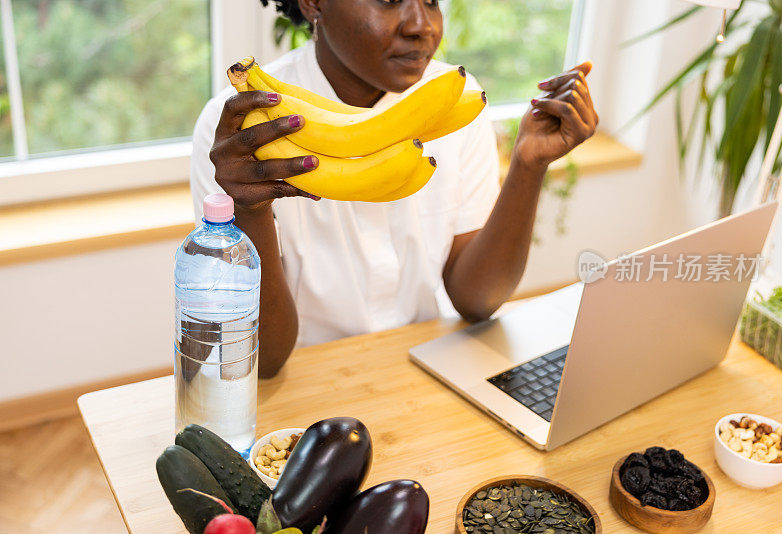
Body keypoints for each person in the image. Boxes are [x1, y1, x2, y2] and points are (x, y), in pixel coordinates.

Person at [190, 0, 599, 377]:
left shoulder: (453, 101)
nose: (423, 26)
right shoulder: (237, 129)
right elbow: (267, 361)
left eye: (432, 1)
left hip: (425, 368)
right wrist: (250, 210)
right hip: (304, 384)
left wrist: (529, 165)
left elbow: (477, 299)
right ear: (314, 2)